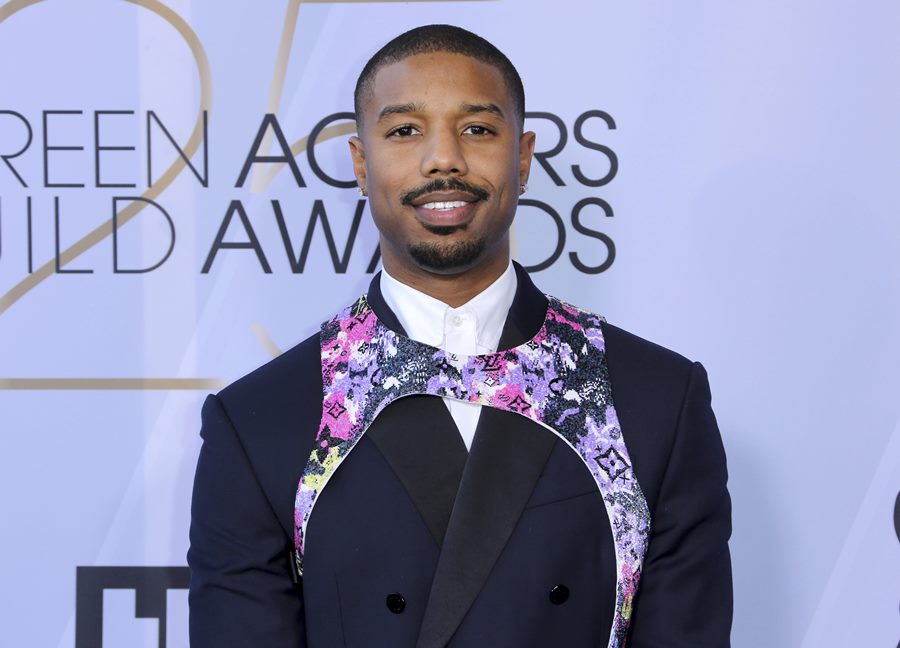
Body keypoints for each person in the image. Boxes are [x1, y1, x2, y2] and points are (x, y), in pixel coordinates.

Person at [188, 24, 732, 648]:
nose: (443, 158)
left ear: (522, 158)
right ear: (361, 165)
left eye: (477, 129)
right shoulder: (261, 421)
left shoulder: (657, 398)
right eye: (404, 131)